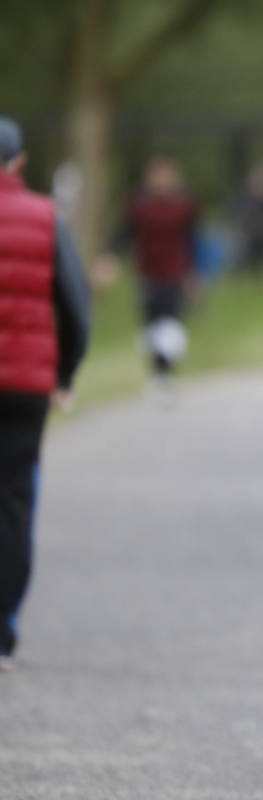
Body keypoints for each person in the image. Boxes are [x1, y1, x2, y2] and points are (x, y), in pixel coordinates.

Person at [0, 117, 90, 670]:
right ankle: (3, 631)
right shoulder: (46, 219)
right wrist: (65, 375)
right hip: (25, 388)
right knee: (12, 501)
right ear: (20, 162)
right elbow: (76, 305)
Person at [100, 155, 200, 386]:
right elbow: (124, 234)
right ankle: (157, 372)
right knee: (151, 324)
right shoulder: (139, 204)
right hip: (147, 272)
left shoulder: (185, 204)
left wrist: (193, 273)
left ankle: (166, 372)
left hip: (175, 272)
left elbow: (191, 240)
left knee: (171, 323)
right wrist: (110, 259)